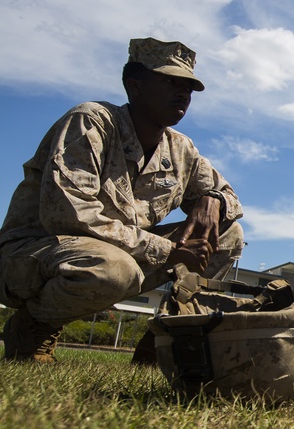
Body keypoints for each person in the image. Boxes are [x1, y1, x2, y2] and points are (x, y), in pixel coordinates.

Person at [0, 37, 244, 363]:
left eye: (188, 86)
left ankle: (165, 337)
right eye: (169, 81)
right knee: (115, 269)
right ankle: (33, 327)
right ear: (135, 85)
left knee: (226, 235)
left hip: (116, 254)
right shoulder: (91, 122)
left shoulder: (181, 149)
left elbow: (231, 200)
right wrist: (169, 251)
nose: (182, 92)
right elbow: (68, 213)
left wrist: (212, 201)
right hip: (31, 256)